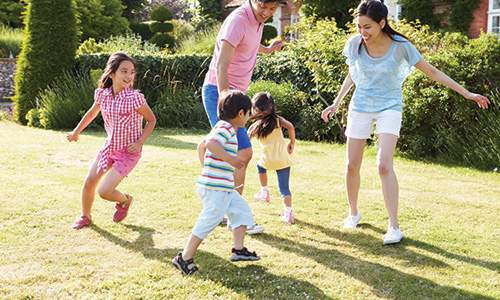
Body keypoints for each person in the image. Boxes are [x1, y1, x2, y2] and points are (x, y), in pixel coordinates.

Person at [320, 0, 490, 245]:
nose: (362, 32)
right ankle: (353, 213)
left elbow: (432, 72)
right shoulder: (354, 44)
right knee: (351, 165)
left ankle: (393, 227)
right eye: (359, 27)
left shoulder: (401, 47)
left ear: (381, 23)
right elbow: (353, 73)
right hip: (360, 107)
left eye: (367, 27)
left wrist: (467, 93)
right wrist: (337, 103)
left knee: (383, 165)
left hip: (389, 107)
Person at [202, 0, 297, 234]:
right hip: (220, 92)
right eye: (262, 7)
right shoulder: (237, 21)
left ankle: (224, 208)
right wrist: (226, 102)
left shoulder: (258, 22)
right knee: (243, 151)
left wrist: (268, 49)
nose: (266, 13)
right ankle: (236, 216)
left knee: (227, 149)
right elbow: (222, 65)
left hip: (234, 94)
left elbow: (250, 47)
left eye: (272, 9)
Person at [172, 90, 260, 275]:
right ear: (240, 113)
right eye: (249, 113)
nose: (249, 117)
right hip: (215, 189)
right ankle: (184, 257)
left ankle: (238, 250)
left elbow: (203, 145)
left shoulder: (225, 127)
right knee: (209, 221)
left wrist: (209, 166)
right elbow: (210, 143)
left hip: (223, 187)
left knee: (241, 211)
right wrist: (231, 160)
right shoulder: (225, 128)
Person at [68, 52, 157, 229]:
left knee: (104, 191)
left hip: (128, 153)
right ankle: (85, 216)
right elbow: (92, 113)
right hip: (109, 148)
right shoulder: (103, 95)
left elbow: (152, 120)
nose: (129, 76)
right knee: (89, 181)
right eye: (124, 71)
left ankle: (125, 200)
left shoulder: (135, 98)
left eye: (132, 72)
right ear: (112, 73)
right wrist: (76, 131)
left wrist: (139, 142)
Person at [248, 92, 296, 224]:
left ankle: (264, 191)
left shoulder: (256, 126)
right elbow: (291, 127)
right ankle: (288, 212)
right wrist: (292, 143)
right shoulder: (278, 120)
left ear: (257, 109)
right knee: (284, 189)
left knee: (259, 166)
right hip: (283, 160)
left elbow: (247, 138)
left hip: (267, 160)